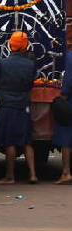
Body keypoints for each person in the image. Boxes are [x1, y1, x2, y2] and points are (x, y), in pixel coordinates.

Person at [0, 31, 38, 184]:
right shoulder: (30, 64)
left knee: (10, 142)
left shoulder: (3, 63)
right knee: (27, 141)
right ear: (25, 46)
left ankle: (10, 176)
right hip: (24, 103)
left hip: (7, 104)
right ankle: (33, 175)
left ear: (10, 45)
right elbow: (31, 84)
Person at [52, 33, 72, 184]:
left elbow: (69, 79)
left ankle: (66, 172)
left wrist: (62, 97)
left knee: (66, 138)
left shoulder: (70, 56)